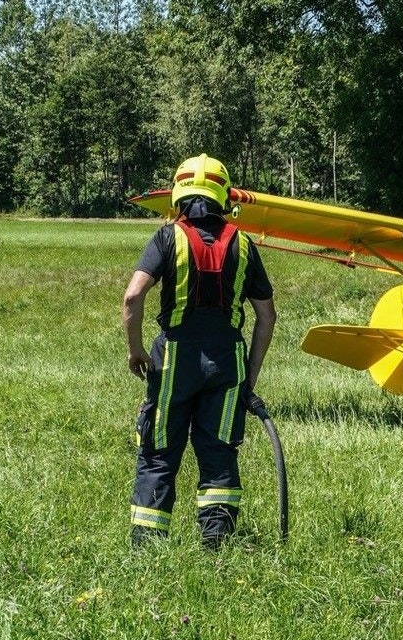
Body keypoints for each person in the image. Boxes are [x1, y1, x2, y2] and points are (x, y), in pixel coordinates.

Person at [122, 154, 277, 548]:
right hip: (227, 361)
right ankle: (216, 545)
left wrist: (136, 350)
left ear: (178, 193)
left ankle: (148, 547)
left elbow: (133, 295)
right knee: (219, 452)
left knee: (158, 451)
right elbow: (266, 315)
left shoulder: (166, 237)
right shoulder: (244, 245)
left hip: (174, 358)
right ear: (223, 194)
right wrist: (249, 376)